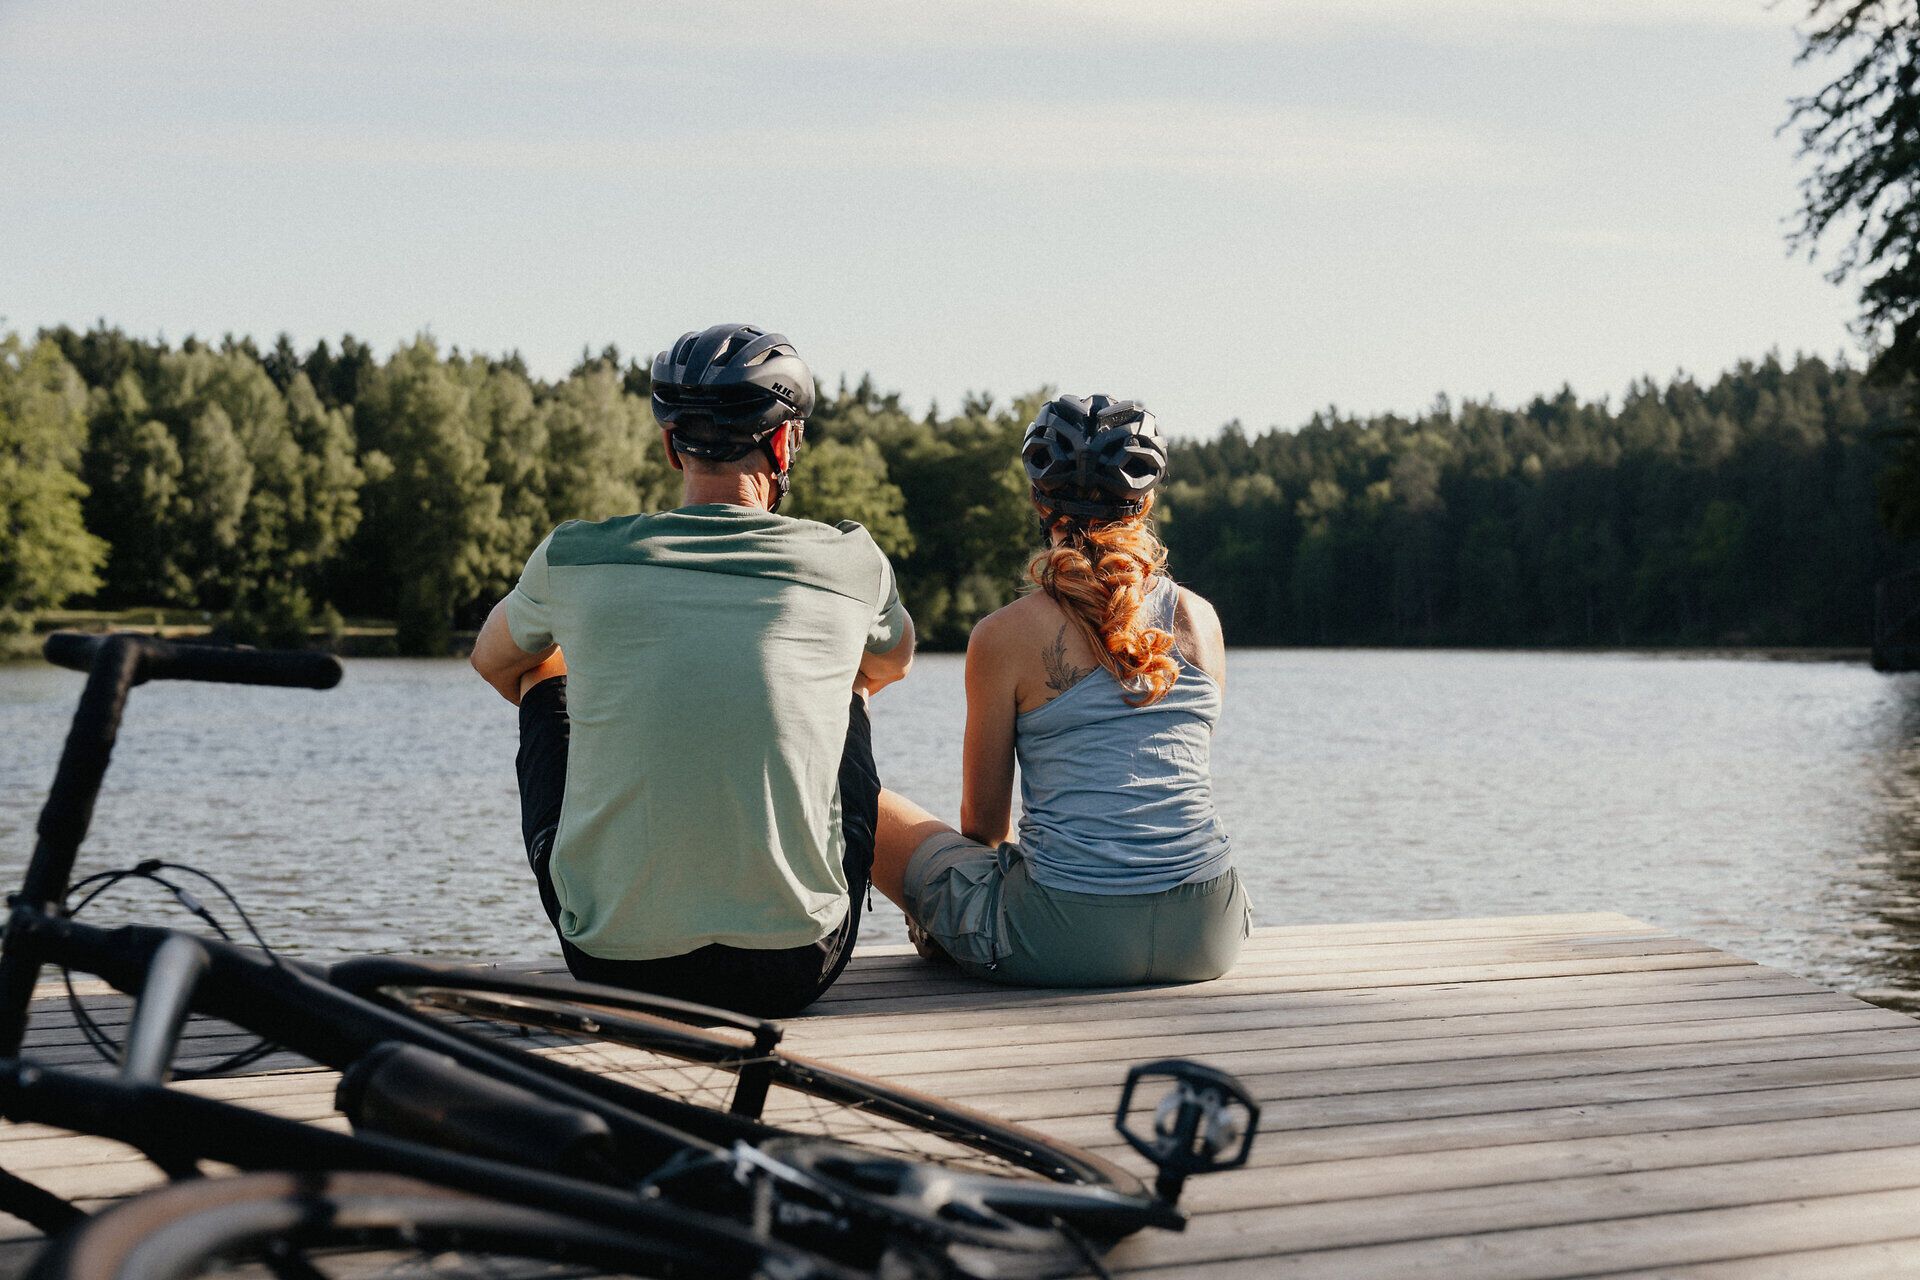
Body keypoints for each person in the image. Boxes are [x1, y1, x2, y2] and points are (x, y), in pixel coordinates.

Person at [470, 323, 914, 1017]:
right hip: (792, 968)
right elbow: (890, 665)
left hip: (614, 965)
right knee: (848, 683)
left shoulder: (576, 555)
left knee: (540, 665)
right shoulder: (852, 561)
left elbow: (493, 660)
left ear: (670, 442)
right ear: (786, 441)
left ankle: (628, 888)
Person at [869, 394, 1249, 987]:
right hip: (1209, 931)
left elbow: (985, 827)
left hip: (1062, 941)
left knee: (863, 800)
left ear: (1037, 499)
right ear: (1146, 502)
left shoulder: (1002, 636)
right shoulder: (1201, 620)